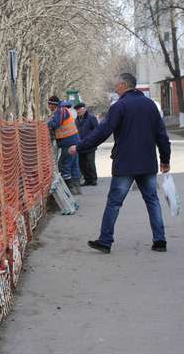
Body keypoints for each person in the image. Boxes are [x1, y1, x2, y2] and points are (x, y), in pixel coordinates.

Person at [68, 73, 171, 253]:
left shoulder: (120, 106)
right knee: (152, 201)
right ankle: (160, 241)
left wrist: (80, 147)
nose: (115, 89)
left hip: (125, 164)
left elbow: (102, 132)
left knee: (114, 202)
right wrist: (165, 160)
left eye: (116, 85)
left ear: (124, 85)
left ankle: (105, 241)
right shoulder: (150, 106)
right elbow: (162, 135)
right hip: (148, 163)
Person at [47, 96, 81, 195]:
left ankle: (70, 188)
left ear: (53, 104)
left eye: (49, 104)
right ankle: (76, 187)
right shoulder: (64, 110)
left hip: (68, 142)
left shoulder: (60, 111)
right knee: (74, 164)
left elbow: (55, 124)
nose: (48, 106)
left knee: (63, 164)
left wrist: (46, 123)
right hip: (73, 140)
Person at [74, 102, 99, 186]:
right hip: (80, 144)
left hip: (90, 144)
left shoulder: (91, 118)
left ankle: (93, 179)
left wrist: (94, 141)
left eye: (80, 110)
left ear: (84, 109)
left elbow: (97, 130)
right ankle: (87, 179)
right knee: (82, 164)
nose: (78, 111)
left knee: (90, 163)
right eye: (77, 110)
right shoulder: (76, 119)